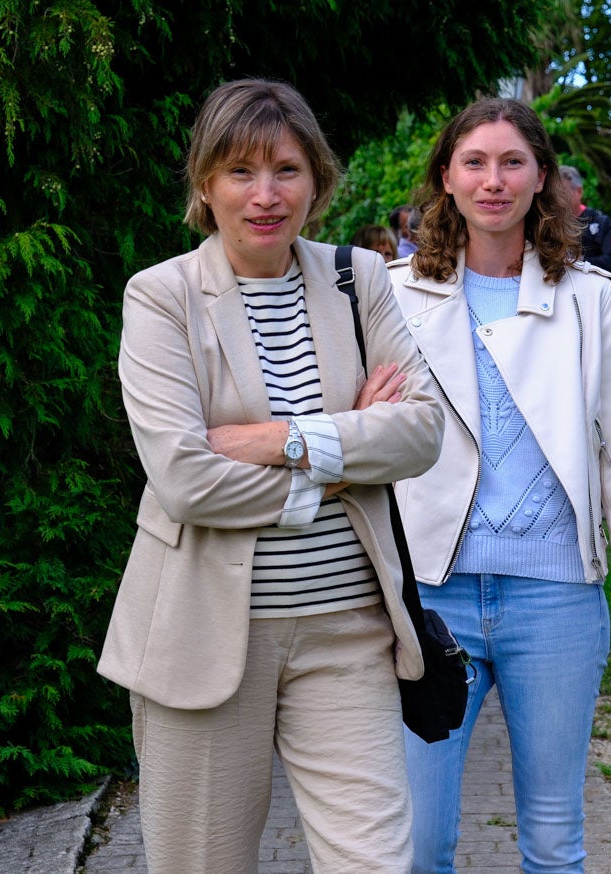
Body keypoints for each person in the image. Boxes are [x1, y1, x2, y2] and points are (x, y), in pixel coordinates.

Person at [97, 78, 445, 872]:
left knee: (375, 862)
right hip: (204, 640)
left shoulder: (360, 280)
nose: (265, 195)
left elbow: (421, 432)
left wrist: (278, 439)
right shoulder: (161, 297)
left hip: (348, 630)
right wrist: (345, 456)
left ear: (318, 179)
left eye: (287, 170)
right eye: (240, 172)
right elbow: (186, 481)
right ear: (204, 184)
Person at [389, 98, 611, 874]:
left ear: (540, 177)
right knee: (415, 847)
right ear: (445, 177)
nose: (492, 180)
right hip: (429, 601)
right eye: (473, 162)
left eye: (512, 162)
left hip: (555, 604)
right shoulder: (389, 294)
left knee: (553, 842)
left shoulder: (590, 299)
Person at [557, 165, 611, 278]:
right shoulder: (550, 224)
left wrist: (576, 264)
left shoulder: (602, 223)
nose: (558, 199)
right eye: (554, 194)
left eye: (562, 193)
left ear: (579, 191)